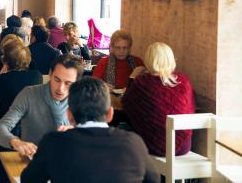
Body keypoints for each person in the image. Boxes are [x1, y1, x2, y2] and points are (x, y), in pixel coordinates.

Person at [21, 77, 160, 183]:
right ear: (110, 114)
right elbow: (154, 179)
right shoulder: (133, 143)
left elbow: (29, 180)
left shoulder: (53, 142)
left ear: (69, 115)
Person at [0, 54, 81, 160]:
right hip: (33, 164)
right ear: (50, 74)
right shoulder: (29, 94)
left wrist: (77, 133)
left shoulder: (81, 100)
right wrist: (15, 142)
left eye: (68, 84)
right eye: (57, 80)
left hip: (69, 163)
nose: (60, 88)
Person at [0, 38, 42, 183]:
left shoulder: (5, 79)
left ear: (6, 61)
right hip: (32, 129)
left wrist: (2, 76)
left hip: (10, 130)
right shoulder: (37, 76)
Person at [122, 42, 195, 156]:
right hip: (183, 146)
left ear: (149, 61)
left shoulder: (143, 82)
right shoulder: (184, 81)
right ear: (171, 59)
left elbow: (126, 103)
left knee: (124, 129)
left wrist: (132, 77)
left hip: (153, 144)